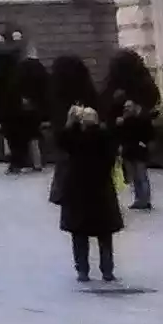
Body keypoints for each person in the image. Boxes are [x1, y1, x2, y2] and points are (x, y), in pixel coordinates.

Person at [53, 105, 124, 283]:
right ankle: (107, 270)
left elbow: (62, 141)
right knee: (104, 235)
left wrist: (71, 122)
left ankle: (82, 270)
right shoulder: (105, 137)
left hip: (78, 193)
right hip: (101, 192)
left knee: (79, 235)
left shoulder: (76, 139)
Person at [115, 101, 156, 213]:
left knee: (141, 176)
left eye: (129, 106)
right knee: (135, 177)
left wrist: (144, 144)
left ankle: (145, 200)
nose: (126, 108)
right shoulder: (125, 120)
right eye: (125, 107)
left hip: (138, 151)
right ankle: (139, 199)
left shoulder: (140, 119)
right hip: (129, 152)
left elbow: (148, 134)